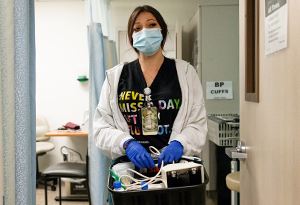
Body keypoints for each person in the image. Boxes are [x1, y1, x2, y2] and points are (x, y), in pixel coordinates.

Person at [93, 5, 207, 169]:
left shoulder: (186, 72)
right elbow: (101, 128)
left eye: (151, 24)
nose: (145, 31)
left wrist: (180, 143)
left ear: (162, 30)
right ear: (132, 37)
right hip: (130, 168)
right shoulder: (115, 77)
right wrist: (126, 143)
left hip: (173, 166)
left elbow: (197, 123)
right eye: (137, 28)